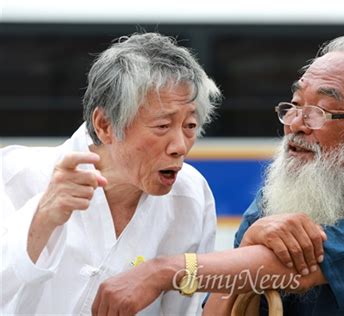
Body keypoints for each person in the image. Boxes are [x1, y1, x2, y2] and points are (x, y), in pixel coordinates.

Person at [90, 34, 344, 315]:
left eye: (321, 111)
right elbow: (224, 303)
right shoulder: (277, 201)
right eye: (295, 105)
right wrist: (248, 244)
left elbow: (295, 271)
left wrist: (161, 272)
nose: (295, 124)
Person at [1, 32, 222, 314]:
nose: (180, 146)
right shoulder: (15, 174)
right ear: (105, 124)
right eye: (162, 126)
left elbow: (183, 309)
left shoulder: (191, 196)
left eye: (190, 126)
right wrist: (42, 218)